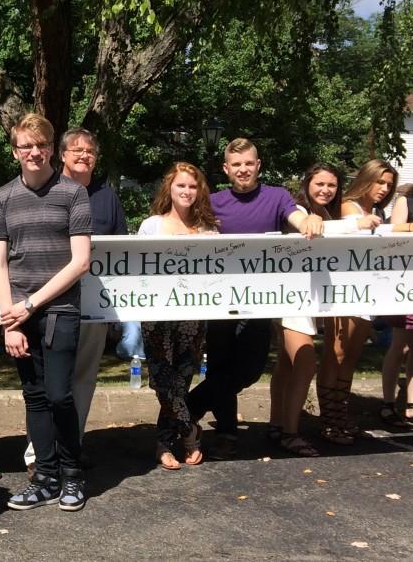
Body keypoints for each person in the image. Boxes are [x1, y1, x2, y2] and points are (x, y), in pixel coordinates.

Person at [185, 138, 323, 460]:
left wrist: (310, 221)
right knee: (219, 367)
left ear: (258, 165)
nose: (243, 169)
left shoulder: (277, 196)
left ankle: (185, 409)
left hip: (262, 300)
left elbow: (296, 218)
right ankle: (227, 434)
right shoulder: (213, 200)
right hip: (218, 298)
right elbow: (188, 229)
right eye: (236, 165)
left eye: (249, 163)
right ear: (226, 169)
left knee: (248, 369)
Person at [0, 113, 93, 512]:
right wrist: (10, 320)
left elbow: (80, 261)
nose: (34, 152)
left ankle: (72, 476)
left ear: (52, 148)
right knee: (33, 397)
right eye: (26, 146)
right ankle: (45, 478)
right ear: (15, 150)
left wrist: (31, 304)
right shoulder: (2, 197)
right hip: (18, 315)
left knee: (59, 395)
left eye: (41, 145)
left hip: (60, 309)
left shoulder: (72, 194)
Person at [138, 162, 216, 469]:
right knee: (162, 379)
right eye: (181, 185)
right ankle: (190, 429)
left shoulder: (210, 230)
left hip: (192, 317)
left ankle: (164, 443)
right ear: (169, 189)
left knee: (182, 380)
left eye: (192, 186)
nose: (186, 191)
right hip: (156, 315)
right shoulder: (151, 226)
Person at [317, 159, 398, 444]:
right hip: (343, 292)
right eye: (380, 182)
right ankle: (329, 420)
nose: (384, 189)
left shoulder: (374, 210)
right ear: (367, 179)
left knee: (350, 357)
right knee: (335, 354)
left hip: (367, 293)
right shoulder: (349, 205)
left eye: (389, 184)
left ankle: (340, 414)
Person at [57, 128, 130, 441]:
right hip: (52, 302)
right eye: (76, 150)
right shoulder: (47, 190)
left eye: (89, 151)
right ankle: (40, 453)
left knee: (83, 378)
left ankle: (73, 445)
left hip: (94, 305)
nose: (84, 155)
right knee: (51, 380)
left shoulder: (107, 196)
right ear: (62, 155)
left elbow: (122, 251)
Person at [268, 163, 343, 457]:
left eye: (332, 185)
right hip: (291, 298)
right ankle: (290, 432)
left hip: (312, 299)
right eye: (320, 184)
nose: (325, 190)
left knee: (286, 365)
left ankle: (277, 423)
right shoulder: (296, 209)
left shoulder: (327, 214)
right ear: (307, 183)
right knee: (305, 360)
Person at [382, 184, 413, 426]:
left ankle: (411, 406)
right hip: (406, 285)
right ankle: (388, 403)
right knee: (400, 345)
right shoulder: (407, 199)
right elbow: (394, 234)